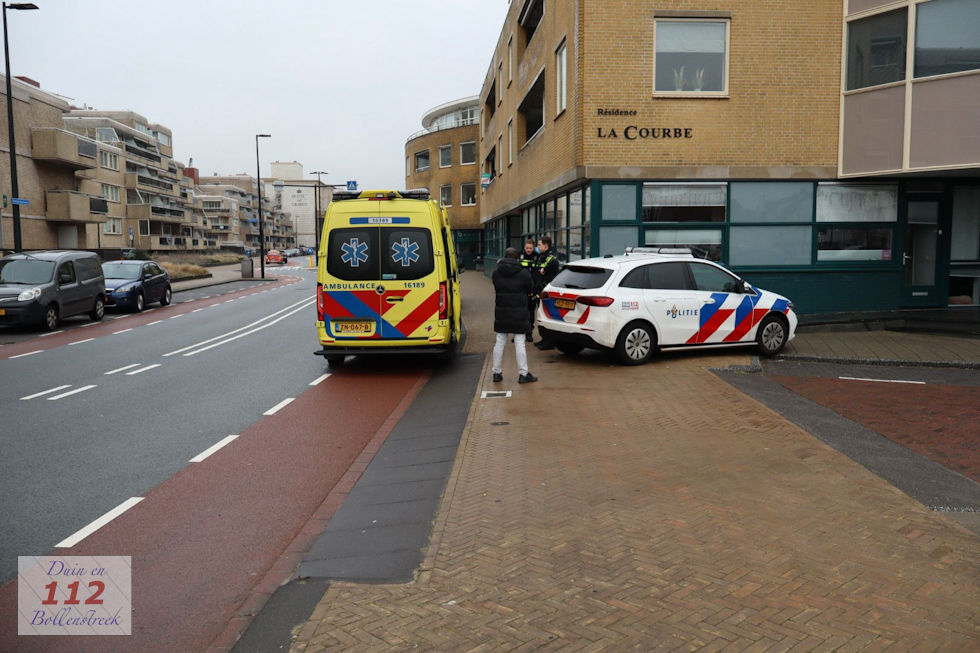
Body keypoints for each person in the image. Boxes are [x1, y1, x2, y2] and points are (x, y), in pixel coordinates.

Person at [491, 247, 538, 384]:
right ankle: (523, 374)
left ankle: (496, 373)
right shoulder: (524, 273)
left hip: (502, 311)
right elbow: (530, 289)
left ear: (504, 256)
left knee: (500, 341)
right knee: (520, 343)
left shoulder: (496, 273)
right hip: (519, 312)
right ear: (517, 258)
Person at [533, 236, 560, 350]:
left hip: (547, 292)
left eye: (539, 245)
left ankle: (550, 342)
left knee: (547, 316)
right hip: (540, 291)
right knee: (541, 316)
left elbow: (554, 264)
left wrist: (544, 270)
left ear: (546, 246)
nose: (537, 247)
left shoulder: (550, 258)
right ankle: (544, 339)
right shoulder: (541, 257)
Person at [519, 240, 537, 342]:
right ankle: (518, 334)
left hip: (532, 288)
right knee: (520, 312)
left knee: (530, 312)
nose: (528, 250)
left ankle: (529, 333)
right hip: (521, 288)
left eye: (530, 248)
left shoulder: (537, 257)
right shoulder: (520, 256)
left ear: (533, 248)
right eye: (527, 248)